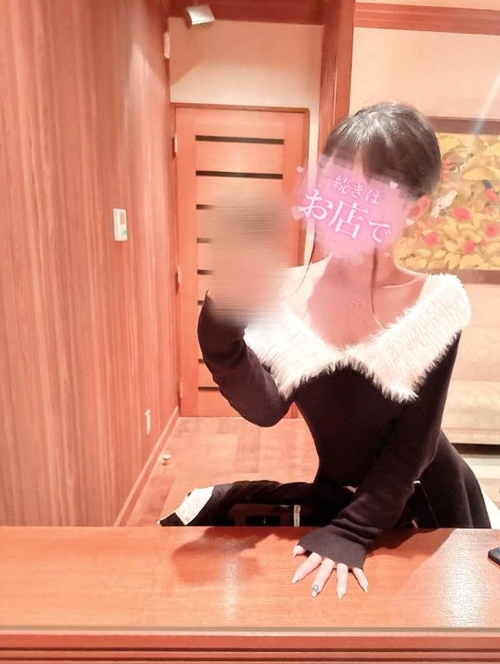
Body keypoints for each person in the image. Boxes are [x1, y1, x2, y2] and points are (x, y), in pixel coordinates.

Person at [159, 101, 491, 599]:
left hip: (426, 500)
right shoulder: (289, 291)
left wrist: (353, 531)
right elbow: (266, 408)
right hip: (342, 495)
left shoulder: (435, 304)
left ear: (414, 208)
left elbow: (417, 444)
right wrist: (221, 329)